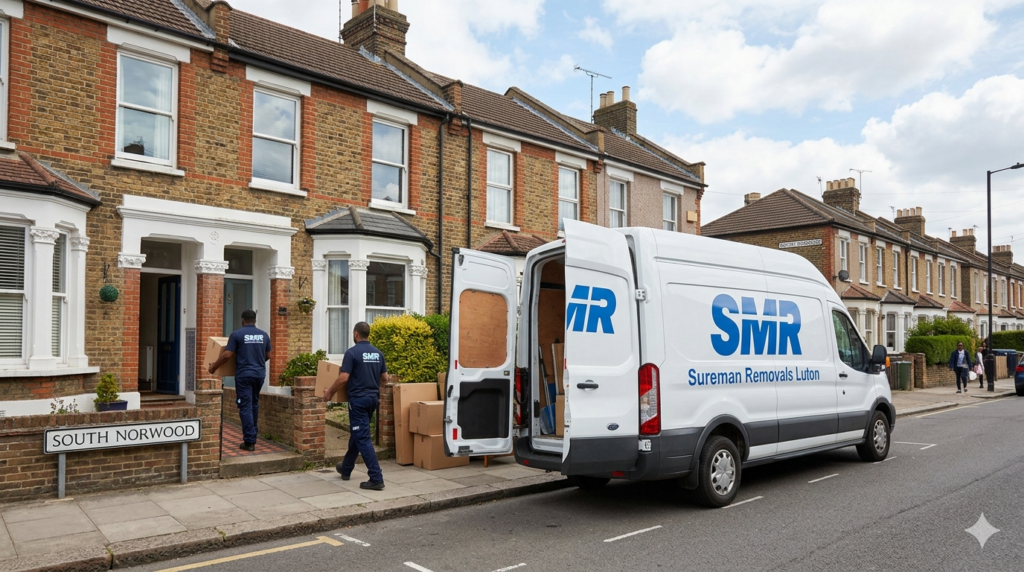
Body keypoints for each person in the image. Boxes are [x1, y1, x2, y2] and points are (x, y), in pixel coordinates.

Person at [324, 321, 387, 491]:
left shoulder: (352, 353)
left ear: (356, 334)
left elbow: (344, 377)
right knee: (357, 433)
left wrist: (329, 392)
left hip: (358, 401)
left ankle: (376, 477)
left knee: (362, 437)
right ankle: (346, 468)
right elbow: (385, 378)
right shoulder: (378, 353)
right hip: (372, 400)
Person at [209, 309, 271, 452]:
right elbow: (268, 355)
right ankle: (253, 435)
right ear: (255, 320)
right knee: (254, 404)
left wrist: (213, 366)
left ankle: (249, 441)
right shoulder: (264, 335)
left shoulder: (237, 334)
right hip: (259, 374)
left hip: (244, 375)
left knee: (245, 406)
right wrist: (257, 362)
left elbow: (227, 355)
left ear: (243, 320)